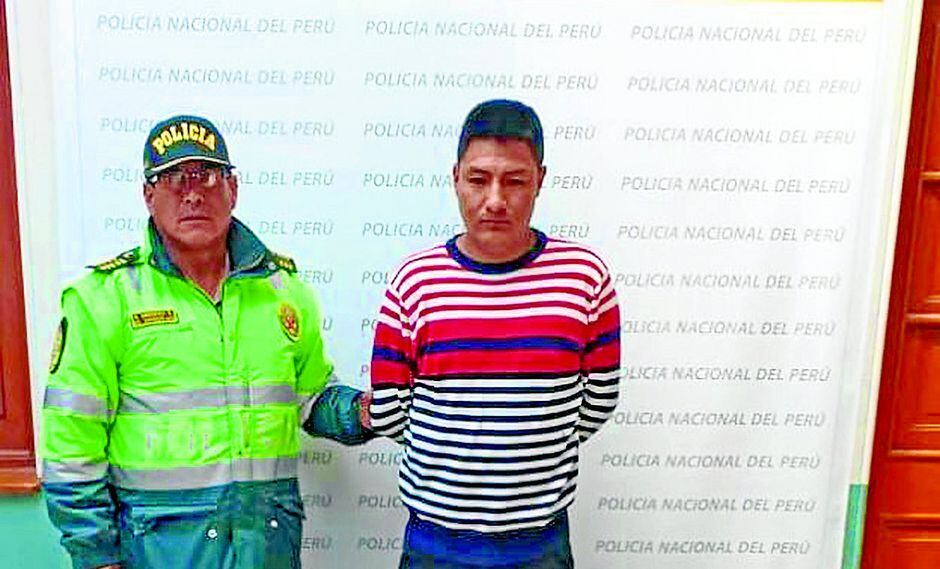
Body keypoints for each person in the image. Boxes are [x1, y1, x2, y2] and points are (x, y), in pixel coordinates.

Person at [40, 114, 367, 569]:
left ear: (233, 188)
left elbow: (311, 399)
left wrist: (367, 411)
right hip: (161, 553)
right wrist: (97, 558)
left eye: (207, 175)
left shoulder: (283, 291)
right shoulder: (103, 300)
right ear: (147, 194)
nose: (192, 193)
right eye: (173, 177)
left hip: (266, 550)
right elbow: (70, 451)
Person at [367, 99, 622, 568]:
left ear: (540, 180)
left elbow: (598, 402)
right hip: (435, 548)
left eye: (515, 181)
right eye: (478, 179)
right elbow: (390, 412)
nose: (495, 200)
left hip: (540, 548)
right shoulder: (414, 282)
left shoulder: (584, 278)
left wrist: (529, 450)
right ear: (455, 178)